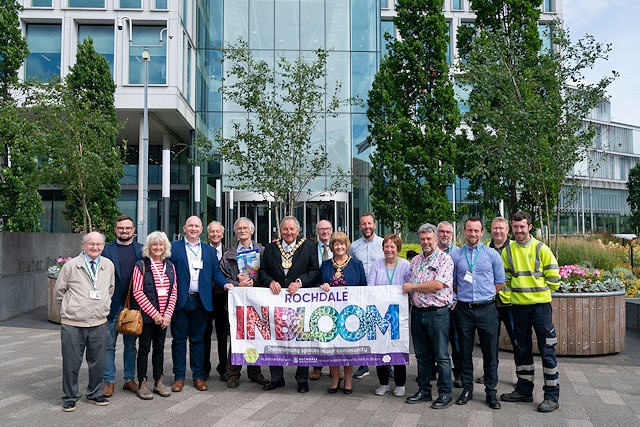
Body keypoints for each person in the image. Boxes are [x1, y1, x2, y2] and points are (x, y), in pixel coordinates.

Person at [499, 211, 561, 413]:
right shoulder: (507, 251)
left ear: (530, 227)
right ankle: (524, 390)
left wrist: (537, 294)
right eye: (515, 227)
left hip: (540, 308)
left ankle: (552, 397)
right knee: (522, 349)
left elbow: (554, 280)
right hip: (518, 308)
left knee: (547, 351)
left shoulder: (542, 249)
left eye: (522, 227)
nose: (518, 231)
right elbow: (505, 280)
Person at [258, 216, 320, 393]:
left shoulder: (309, 247)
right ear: (280, 230)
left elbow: (315, 271)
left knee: (300, 338)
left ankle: (302, 379)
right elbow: (262, 271)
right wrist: (270, 281)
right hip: (275, 303)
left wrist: (300, 281)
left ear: (298, 231)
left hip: (299, 303)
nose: (288, 232)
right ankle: (277, 378)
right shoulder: (270, 248)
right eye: (285, 229)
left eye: (292, 229)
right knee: (275, 338)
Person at [54, 232, 115, 412]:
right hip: (74, 322)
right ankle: (70, 396)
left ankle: (95, 393)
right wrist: (71, 308)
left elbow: (110, 289)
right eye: (91, 244)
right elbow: (59, 291)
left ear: (103, 246)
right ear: (83, 245)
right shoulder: (72, 266)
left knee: (98, 361)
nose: (95, 247)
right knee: (71, 362)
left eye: (98, 244)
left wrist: (102, 306)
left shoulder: (108, 265)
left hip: (99, 321)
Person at [169, 216, 231, 393]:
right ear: (184, 228)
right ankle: (179, 377)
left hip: (201, 301)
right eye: (190, 226)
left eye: (196, 226)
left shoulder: (208, 251)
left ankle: (198, 376)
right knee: (179, 341)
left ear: (201, 229)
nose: (193, 228)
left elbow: (215, 273)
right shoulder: (174, 248)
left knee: (198, 340)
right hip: (180, 300)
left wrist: (224, 284)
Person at [450, 218, 505, 410]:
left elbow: (500, 282)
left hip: (487, 309)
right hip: (464, 310)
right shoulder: (456, 256)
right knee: (464, 352)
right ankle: (467, 389)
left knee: (491, 353)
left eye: (476, 231)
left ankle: (491, 392)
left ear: (482, 233)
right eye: (469, 231)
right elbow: (454, 284)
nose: (473, 234)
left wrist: (484, 296)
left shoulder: (492, 255)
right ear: (464, 232)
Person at [402, 223, 454, 409]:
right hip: (417, 312)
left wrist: (413, 288)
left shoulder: (445, 260)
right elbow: (406, 285)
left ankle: (445, 393)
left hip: (437, 314)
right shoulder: (415, 261)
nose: (425, 242)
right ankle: (424, 390)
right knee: (422, 356)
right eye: (422, 239)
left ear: (436, 239)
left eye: (429, 239)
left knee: (441, 356)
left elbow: (438, 285)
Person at [220, 217, 269, 388]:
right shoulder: (229, 256)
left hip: (257, 300)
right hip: (238, 302)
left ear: (252, 230)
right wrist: (236, 283)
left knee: (255, 335)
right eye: (238, 228)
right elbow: (222, 277)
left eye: (245, 228)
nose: (242, 231)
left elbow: (269, 272)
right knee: (237, 336)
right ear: (235, 232)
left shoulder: (263, 251)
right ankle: (233, 373)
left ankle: (255, 372)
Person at [318, 232, 367, 394]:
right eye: (336, 244)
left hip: (350, 313)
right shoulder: (325, 265)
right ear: (332, 246)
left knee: (347, 347)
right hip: (330, 313)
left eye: (342, 244)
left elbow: (363, 287)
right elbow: (317, 284)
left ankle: (347, 380)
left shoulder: (356, 264)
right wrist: (322, 285)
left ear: (347, 245)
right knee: (332, 346)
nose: (339, 247)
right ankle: (334, 379)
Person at [132, 231, 177, 400]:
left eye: (161, 244)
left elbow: (174, 291)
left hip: (164, 318)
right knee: (144, 349)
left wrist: (167, 315)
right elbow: (138, 292)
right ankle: (142, 383)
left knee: (159, 349)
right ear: (148, 247)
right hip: (146, 317)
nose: (158, 247)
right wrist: (155, 314)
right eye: (154, 244)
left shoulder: (170, 266)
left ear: (165, 247)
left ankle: (158, 381)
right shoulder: (141, 265)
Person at [101, 215, 143, 398]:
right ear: (115, 229)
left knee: (131, 346)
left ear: (133, 230)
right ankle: (108, 381)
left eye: (128, 228)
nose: (124, 231)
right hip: (111, 305)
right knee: (108, 346)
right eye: (121, 228)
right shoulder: (106, 250)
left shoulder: (141, 250)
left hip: (133, 306)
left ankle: (128, 379)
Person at [367, 233, 411, 397]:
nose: (389, 249)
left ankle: (400, 384)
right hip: (379, 314)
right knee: (380, 347)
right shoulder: (377, 265)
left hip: (398, 314)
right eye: (386, 246)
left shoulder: (405, 265)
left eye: (392, 246)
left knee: (398, 347)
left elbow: (408, 286)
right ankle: (383, 383)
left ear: (398, 248)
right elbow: (370, 287)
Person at [476, 216, 514, 385]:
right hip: (490, 304)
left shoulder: (515, 248)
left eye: (501, 228)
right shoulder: (483, 250)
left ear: (507, 230)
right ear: (490, 230)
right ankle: (490, 374)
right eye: (495, 228)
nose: (498, 231)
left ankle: (522, 379)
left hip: (511, 303)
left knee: (518, 341)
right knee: (490, 343)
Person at [349, 213, 384, 379]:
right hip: (361, 293)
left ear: (374, 225)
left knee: (381, 328)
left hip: (380, 293)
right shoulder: (354, 247)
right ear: (359, 227)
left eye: (369, 223)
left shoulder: (384, 244)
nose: (367, 227)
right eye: (363, 224)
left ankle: (385, 364)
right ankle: (363, 365)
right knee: (362, 328)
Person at [437, 220, 462, 389]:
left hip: (453, 305)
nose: (445, 235)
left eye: (448, 232)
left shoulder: (459, 254)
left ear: (452, 235)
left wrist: (457, 299)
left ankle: (459, 373)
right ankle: (433, 371)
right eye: (442, 232)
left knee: (456, 342)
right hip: (435, 305)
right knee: (435, 341)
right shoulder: (430, 251)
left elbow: (463, 281)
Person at [203, 220, 229, 382]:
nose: (215, 234)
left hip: (223, 299)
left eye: (218, 232)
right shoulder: (203, 251)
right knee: (204, 334)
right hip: (206, 298)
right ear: (208, 234)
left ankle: (223, 368)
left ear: (223, 234)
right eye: (212, 232)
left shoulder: (229, 252)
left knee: (222, 335)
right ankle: (205, 368)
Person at [310, 219, 333, 381]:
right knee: (316, 330)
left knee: (333, 329)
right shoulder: (310, 248)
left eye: (327, 229)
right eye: (321, 229)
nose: (325, 232)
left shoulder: (339, 244)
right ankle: (317, 367)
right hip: (315, 293)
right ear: (316, 231)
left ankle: (334, 367)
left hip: (334, 295)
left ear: (331, 230)